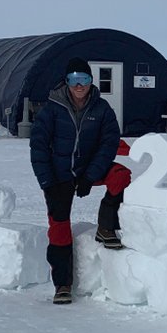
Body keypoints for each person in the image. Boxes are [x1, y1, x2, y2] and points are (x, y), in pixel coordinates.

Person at [30, 57, 131, 304]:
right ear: (66, 82)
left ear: (91, 81)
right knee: (59, 224)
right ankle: (62, 284)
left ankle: (106, 227)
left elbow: (109, 143)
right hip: (59, 175)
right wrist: (48, 184)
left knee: (121, 175)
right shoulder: (51, 109)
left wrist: (90, 176)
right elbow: (39, 148)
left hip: (88, 169)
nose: (79, 85)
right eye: (74, 80)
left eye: (84, 79)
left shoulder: (102, 109)